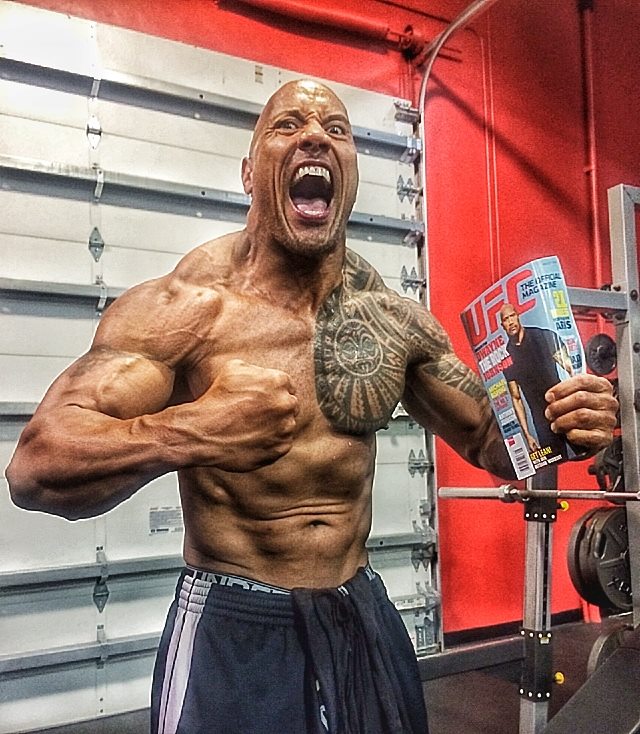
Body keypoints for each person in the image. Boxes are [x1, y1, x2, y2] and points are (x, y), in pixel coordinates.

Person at [5, 80, 617, 734]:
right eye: (288, 125)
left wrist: (562, 423)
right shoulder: (187, 308)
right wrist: (192, 431)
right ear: (250, 174)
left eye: (337, 129)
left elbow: (489, 440)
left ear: (350, 176)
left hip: (361, 613)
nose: (316, 138)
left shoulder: (390, 320)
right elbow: (37, 468)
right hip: (233, 621)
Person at [500, 303, 577, 458]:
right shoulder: (507, 357)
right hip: (541, 421)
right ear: (502, 325)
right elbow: (516, 398)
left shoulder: (542, 336)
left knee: (583, 449)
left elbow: (571, 369)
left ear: (518, 316)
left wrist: (579, 402)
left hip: (561, 406)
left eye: (512, 316)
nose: (510, 322)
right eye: (506, 319)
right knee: (554, 460)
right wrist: (527, 435)